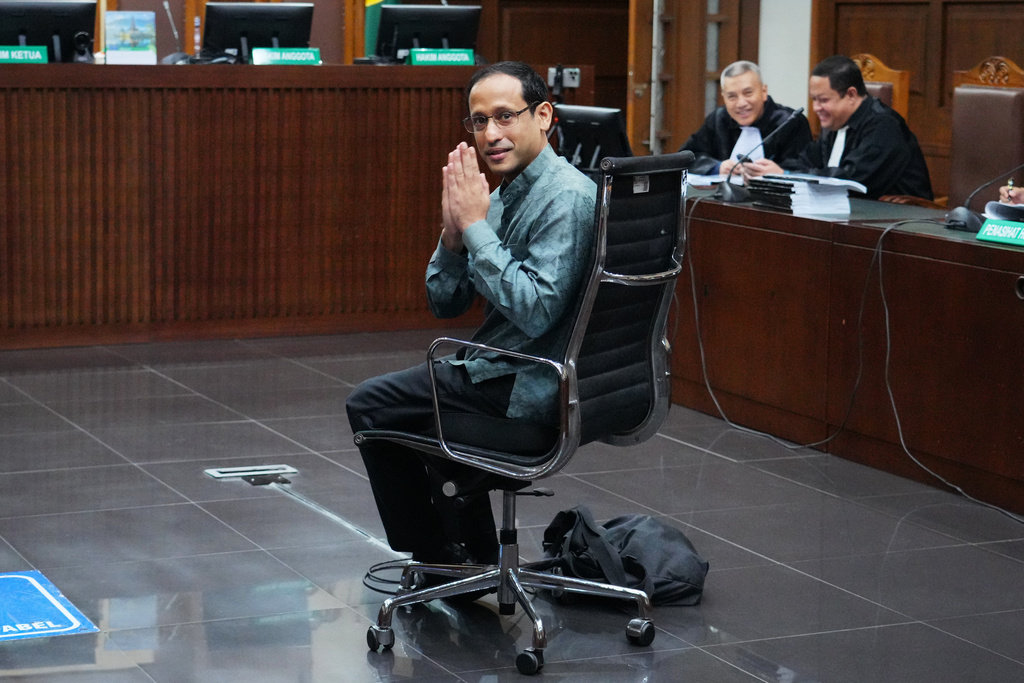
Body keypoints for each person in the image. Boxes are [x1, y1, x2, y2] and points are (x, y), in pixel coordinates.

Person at [346, 62, 596, 571]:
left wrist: (477, 227)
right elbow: (444, 302)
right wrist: (454, 236)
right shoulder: (505, 192)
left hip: (529, 388)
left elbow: (535, 310)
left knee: (371, 407)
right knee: (410, 400)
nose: (491, 134)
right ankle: (475, 554)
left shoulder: (566, 197)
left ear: (543, 115)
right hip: (504, 370)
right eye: (479, 121)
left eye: (505, 116)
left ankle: (437, 556)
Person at [745, 55, 933, 201]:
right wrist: (769, 173)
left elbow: (851, 179)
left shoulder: (884, 125)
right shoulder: (835, 123)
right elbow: (806, 161)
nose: (816, 108)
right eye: (814, 100)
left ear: (851, 95)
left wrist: (785, 176)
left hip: (899, 222)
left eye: (823, 100)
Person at [679, 60, 812, 176]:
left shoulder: (790, 121)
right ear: (724, 97)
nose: (741, 103)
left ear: (764, 92)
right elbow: (686, 157)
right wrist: (717, 167)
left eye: (748, 93)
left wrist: (780, 173)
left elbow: (807, 168)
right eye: (732, 96)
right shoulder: (719, 118)